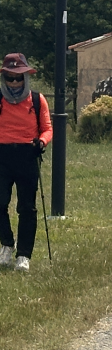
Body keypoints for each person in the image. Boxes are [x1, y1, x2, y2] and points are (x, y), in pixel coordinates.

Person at [0, 54, 53, 272]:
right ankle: (6, 244)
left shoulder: (37, 100)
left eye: (18, 78)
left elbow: (47, 128)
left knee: (27, 208)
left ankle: (23, 255)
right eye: (9, 78)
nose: (14, 83)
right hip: (2, 155)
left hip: (27, 154)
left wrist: (42, 142)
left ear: (26, 78)